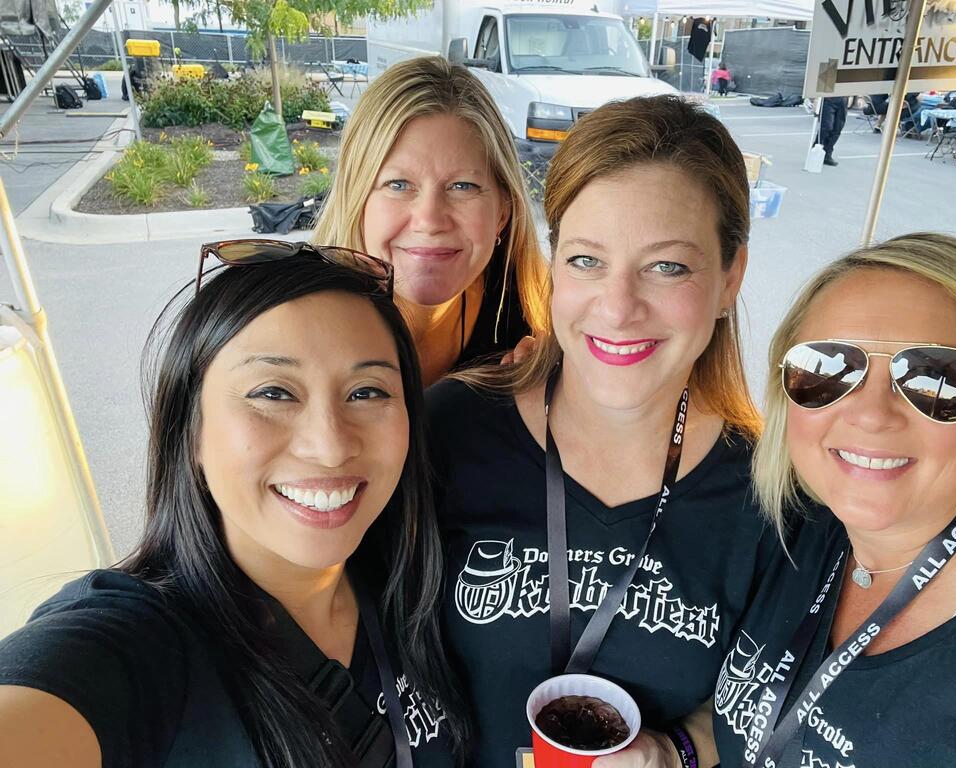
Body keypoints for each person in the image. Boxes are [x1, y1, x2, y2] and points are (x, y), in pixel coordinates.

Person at [0, 242, 468, 767]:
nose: (331, 446)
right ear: (190, 431)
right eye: (273, 393)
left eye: (367, 392)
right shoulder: (137, 640)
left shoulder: (418, 584)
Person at [428, 95, 776, 767]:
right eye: (587, 260)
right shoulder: (451, 430)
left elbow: (766, 701)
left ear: (731, 277)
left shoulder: (769, 497)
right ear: (554, 265)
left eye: (667, 266)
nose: (617, 308)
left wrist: (673, 751)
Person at [712, 233, 956, 767]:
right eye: (826, 369)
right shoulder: (798, 529)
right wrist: (675, 751)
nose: (872, 414)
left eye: (936, 380)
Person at [314, 56, 547, 385]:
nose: (429, 220)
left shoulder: (536, 313)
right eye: (398, 185)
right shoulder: (294, 325)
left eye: (462, 186)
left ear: (502, 211)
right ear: (356, 199)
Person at [817, 96, 847, 166]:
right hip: (828, 98)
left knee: (837, 128)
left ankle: (827, 154)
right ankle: (817, 149)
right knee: (826, 127)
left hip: (843, 99)